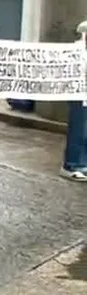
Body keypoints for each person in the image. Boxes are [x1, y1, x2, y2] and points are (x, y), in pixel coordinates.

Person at [61, 19, 87, 181]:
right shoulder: (75, 51)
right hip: (79, 96)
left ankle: (83, 163)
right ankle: (71, 165)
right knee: (78, 131)